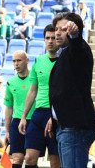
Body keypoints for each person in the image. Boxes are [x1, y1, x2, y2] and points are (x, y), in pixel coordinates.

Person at [45, 12, 95, 168]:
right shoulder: (63, 55)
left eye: (63, 29)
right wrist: (53, 116)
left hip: (75, 128)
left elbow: (78, 48)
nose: (58, 33)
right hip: (65, 127)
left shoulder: (79, 50)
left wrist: (75, 36)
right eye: (56, 29)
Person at [18, 24, 60, 168]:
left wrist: (56, 115)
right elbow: (32, 90)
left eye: (53, 38)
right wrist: (24, 116)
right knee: (29, 158)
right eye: (47, 38)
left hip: (56, 114)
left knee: (55, 162)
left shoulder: (65, 61)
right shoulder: (38, 61)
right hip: (38, 113)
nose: (50, 41)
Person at [4, 50, 36, 168]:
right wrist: (7, 131)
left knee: (30, 158)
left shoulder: (35, 77)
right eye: (14, 61)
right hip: (17, 122)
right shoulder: (11, 83)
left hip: (34, 122)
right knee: (17, 158)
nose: (16, 64)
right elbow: (8, 108)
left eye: (19, 60)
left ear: (27, 61)